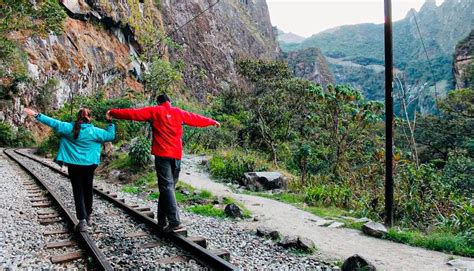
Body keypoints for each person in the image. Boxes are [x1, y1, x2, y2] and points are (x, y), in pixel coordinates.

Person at [106, 94, 220, 232]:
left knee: (166, 187)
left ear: (158, 102)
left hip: (162, 154)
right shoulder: (179, 112)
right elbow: (196, 118)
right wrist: (212, 121)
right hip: (176, 156)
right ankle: (162, 220)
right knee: (167, 188)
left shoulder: (154, 111)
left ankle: (174, 221)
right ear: (169, 102)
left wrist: (113, 112)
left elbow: (132, 114)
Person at [24, 108, 115, 232]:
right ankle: (88, 217)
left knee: (78, 191)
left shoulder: (69, 128)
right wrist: (109, 122)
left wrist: (36, 115)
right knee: (88, 190)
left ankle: (82, 221)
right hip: (90, 165)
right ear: (90, 118)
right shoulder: (96, 132)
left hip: (74, 165)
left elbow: (52, 122)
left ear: (77, 117)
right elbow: (111, 135)